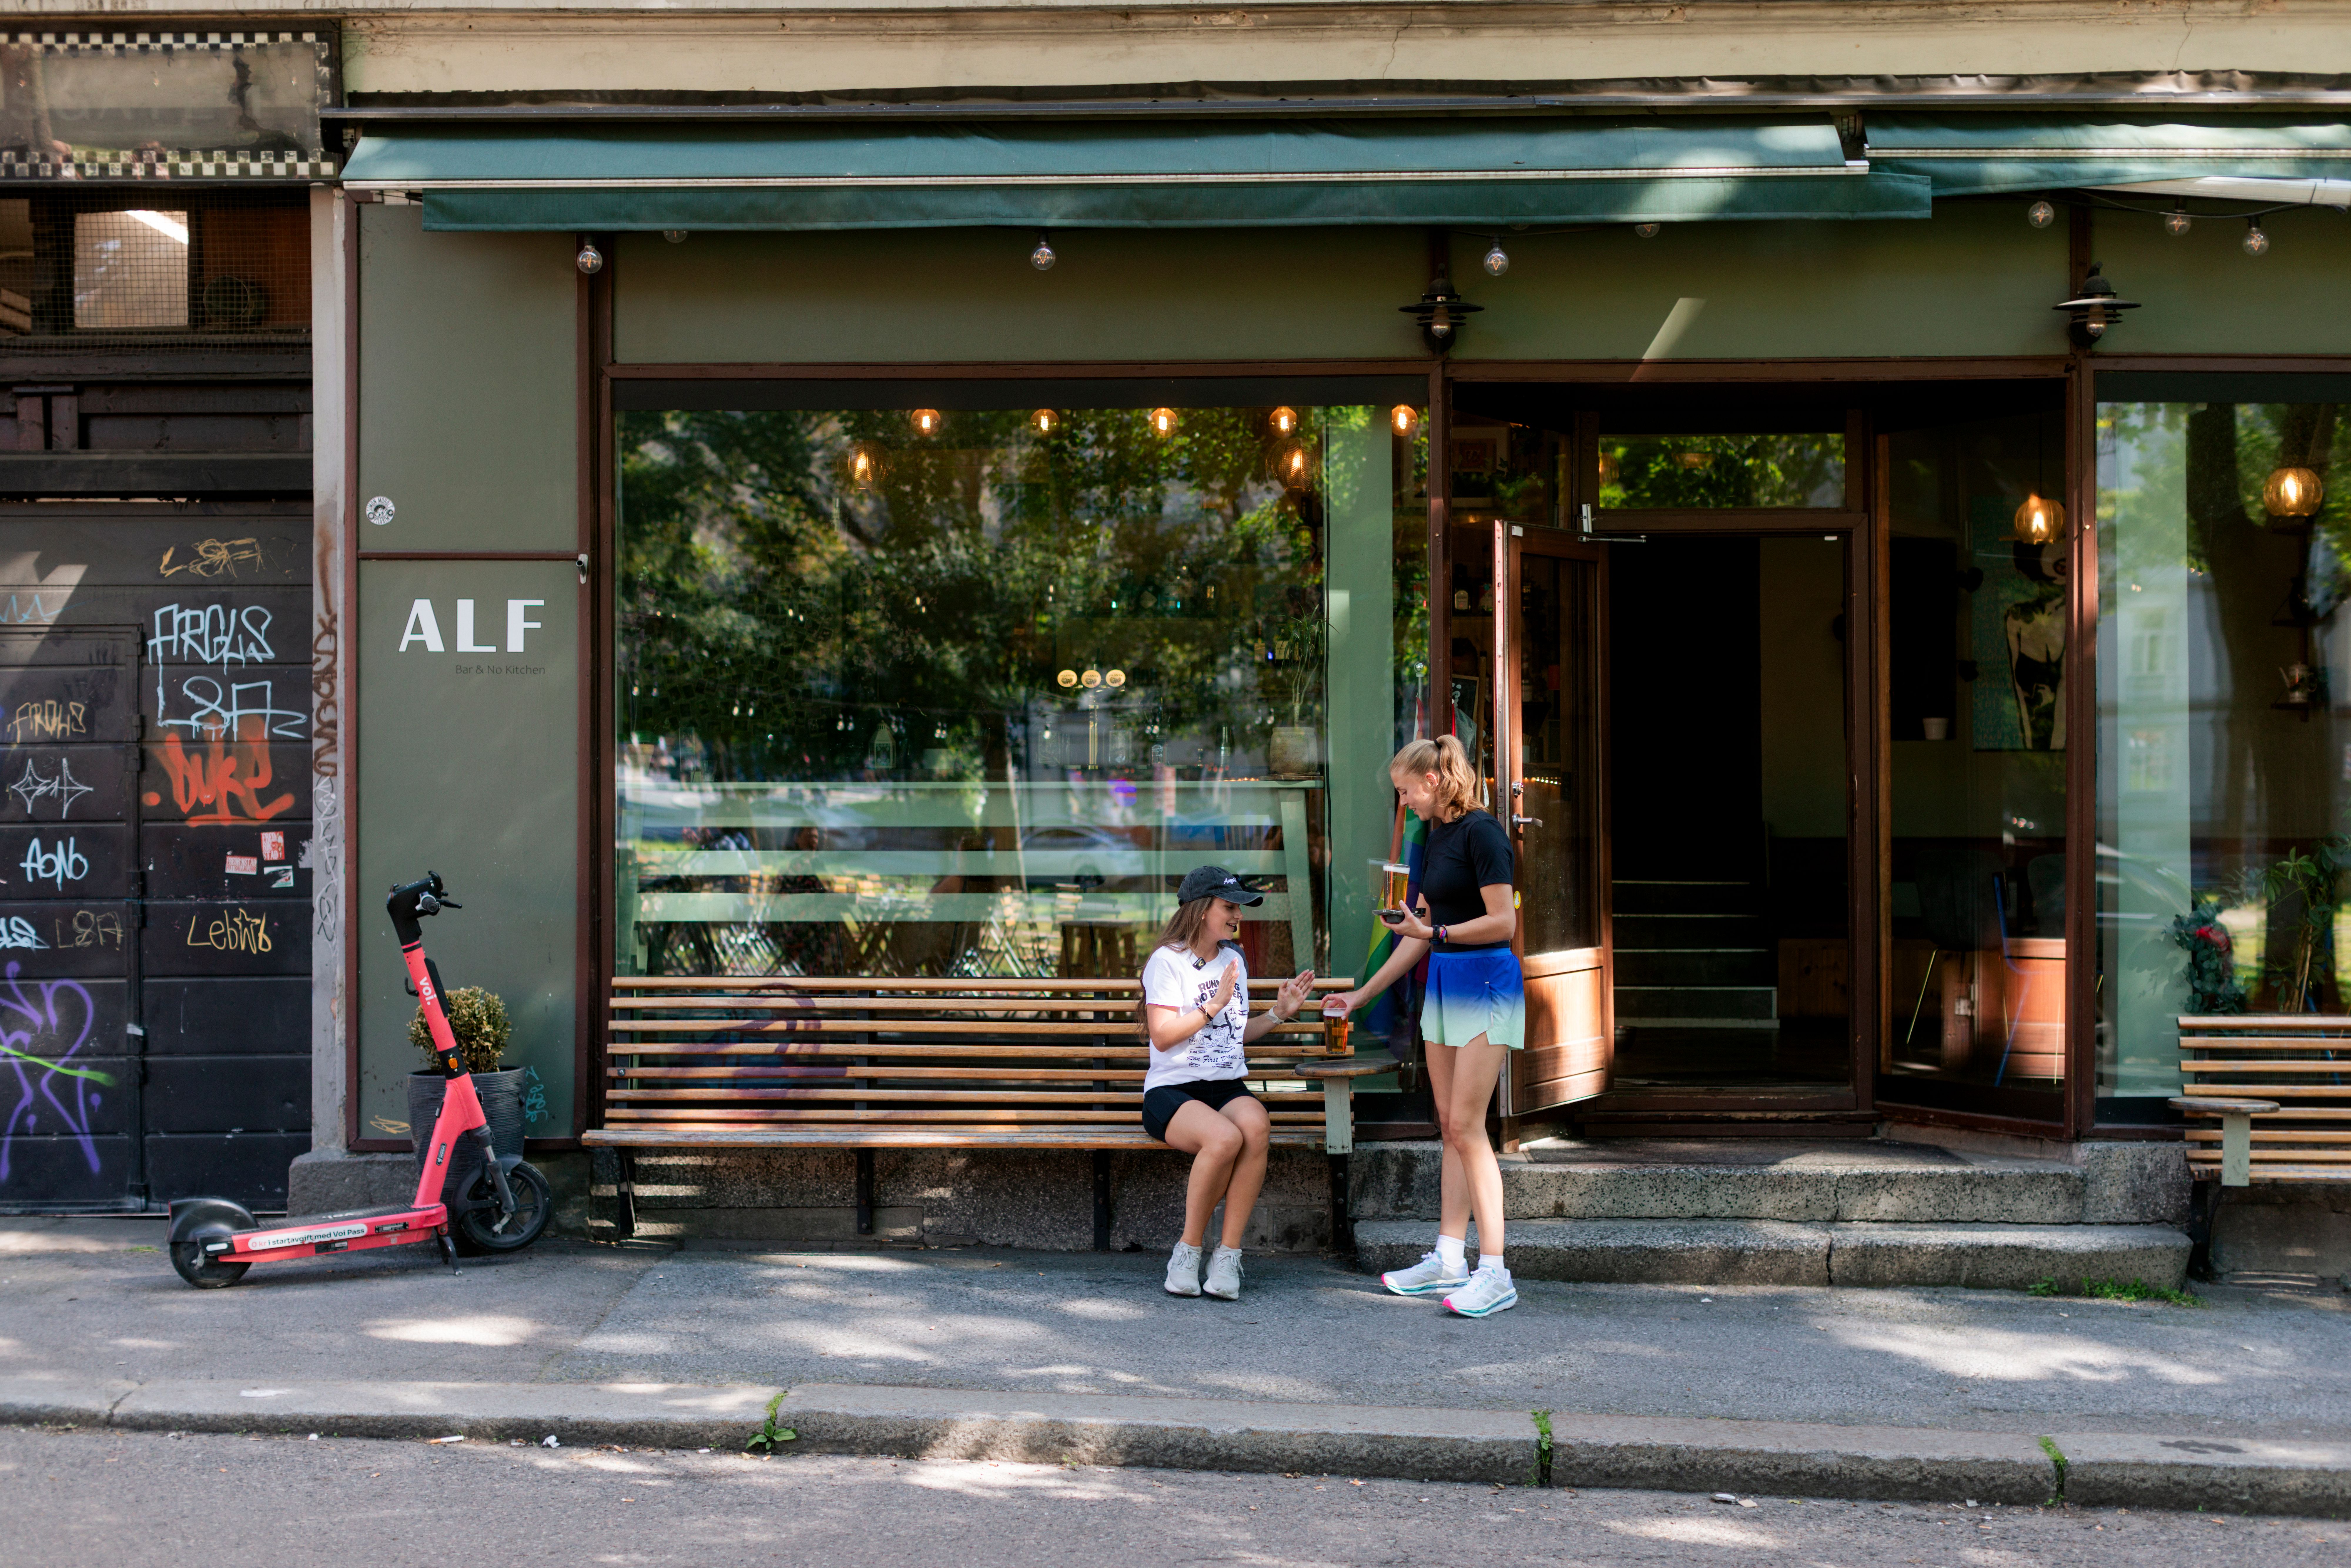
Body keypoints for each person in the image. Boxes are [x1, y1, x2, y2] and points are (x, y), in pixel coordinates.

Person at [1322, 736, 1523, 1318]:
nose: (1403, 801)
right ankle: (1448, 1258)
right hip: (1445, 983)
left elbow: (1503, 923)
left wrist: (1434, 934)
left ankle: (1495, 1272)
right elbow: (1420, 932)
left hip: (1487, 982)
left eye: (1406, 790)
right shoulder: (1435, 837)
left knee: (1467, 1126)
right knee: (1449, 1127)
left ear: (1433, 782)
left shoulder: (1484, 833)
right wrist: (1361, 994)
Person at [1138, 864, 1317, 1301]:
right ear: (1202, 911)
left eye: (1240, 908)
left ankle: (1228, 1256)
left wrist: (1278, 1014)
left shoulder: (1233, 959)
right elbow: (1162, 1037)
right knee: (1224, 1138)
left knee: (1256, 1126)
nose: (1239, 916)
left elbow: (1234, 1034)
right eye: (1229, 907)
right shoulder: (1168, 961)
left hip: (1224, 1086)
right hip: (1172, 1090)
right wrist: (1213, 1004)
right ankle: (1188, 1251)